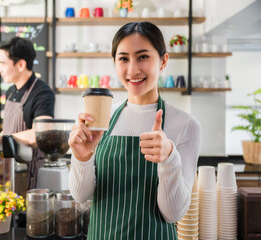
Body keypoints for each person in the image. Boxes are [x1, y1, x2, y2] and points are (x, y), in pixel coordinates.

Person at [68, 22, 201, 239]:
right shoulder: (102, 120)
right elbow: (80, 196)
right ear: (114, 62)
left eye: (143, 57)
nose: (132, 70)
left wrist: (169, 158)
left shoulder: (185, 125)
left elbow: (173, 214)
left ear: (163, 60)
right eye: (123, 58)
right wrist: (81, 157)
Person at [0, 37, 55, 190]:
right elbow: (7, 129)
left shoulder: (42, 93)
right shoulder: (10, 91)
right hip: (8, 168)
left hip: (29, 171)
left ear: (21, 64)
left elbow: (40, 133)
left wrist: (4, 140)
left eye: (2, 63)